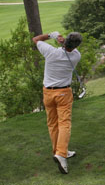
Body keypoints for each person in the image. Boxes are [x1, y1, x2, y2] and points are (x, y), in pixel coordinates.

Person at [32, 31, 82, 174]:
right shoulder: (76, 56)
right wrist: (64, 42)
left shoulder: (50, 52)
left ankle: (60, 151)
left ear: (65, 41)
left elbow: (35, 39)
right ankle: (61, 154)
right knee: (64, 123)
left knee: (53, 124)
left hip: (48, 93)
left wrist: (51, 35)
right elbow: (71, 48)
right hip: (63, 93)